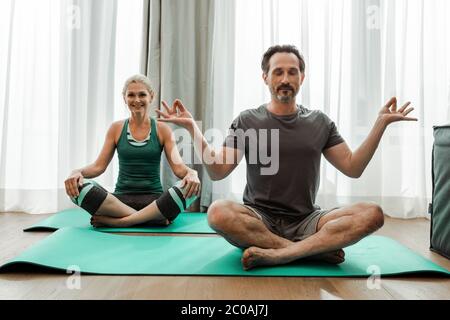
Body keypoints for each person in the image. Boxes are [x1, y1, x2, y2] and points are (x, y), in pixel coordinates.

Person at [156, 45, 417, 270]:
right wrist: (192, 127)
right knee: (218, 212)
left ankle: (281, 254)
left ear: (302, 77)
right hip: (258, 220)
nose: (285, 78)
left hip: (307, 219)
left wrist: (380, 125)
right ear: (265, 77)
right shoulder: (248, 120)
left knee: (372, 214)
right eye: (278, 72)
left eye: (292, 72)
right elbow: (218, 171)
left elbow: (353, 167)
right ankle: (310, 251)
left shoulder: (320, 122)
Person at [64, 75, 201, 228]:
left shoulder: (163, 129)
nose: (137, 100)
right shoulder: (116, 128)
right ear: (124, 98)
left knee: (192, 188)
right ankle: (152, 220)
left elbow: (179, 168)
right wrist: (76, 172)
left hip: (154, 201)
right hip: (119, 202)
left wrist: (192, 174)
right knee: (78, 186)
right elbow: (98, 167)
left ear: (151, 97)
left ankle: (122, 222)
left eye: (142, 94)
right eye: (131, 95)